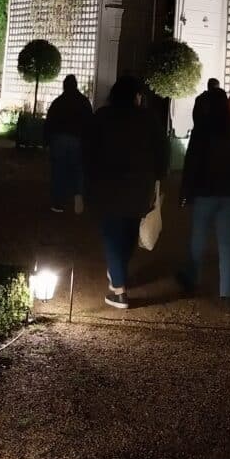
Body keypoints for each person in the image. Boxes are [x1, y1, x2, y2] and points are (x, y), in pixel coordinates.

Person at [84, 75, 168, 310]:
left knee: (112, 234)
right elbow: (162, 151)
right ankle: (118, 275)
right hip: (138, 186)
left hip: (106, 186)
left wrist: (85, 183)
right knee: (129, 232)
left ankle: (119, 290)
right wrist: (159, 178)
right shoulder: (148, 119)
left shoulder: (102, 117)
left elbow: (88, 151)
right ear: (135, 96)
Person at [177, 88, 230, 301]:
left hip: (204, 193)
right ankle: (227, 292)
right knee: (228, 244)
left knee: (198, 239)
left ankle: (192, 278)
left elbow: (191, 165)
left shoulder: (201, 131)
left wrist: (184, 192)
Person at [45, 74, 93, 214]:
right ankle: (78, 193)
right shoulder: (83, 102)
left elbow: (50, 121)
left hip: (59, 139)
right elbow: (89, 122)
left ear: (64, 86)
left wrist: (47, 140)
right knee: (78, 168)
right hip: (77, 140)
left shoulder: (58, 102)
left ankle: (58, 202)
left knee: (58, 170)